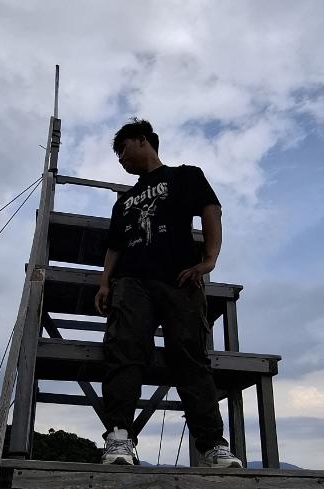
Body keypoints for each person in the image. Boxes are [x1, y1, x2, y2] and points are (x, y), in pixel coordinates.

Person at [94, 119, 242, 468]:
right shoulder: (124, 201)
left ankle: (213, 445)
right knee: (124, 349)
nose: (120, 159)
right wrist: (104, 282)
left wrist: (209, 259)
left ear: (142, 140)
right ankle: (119, 437)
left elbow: (211, 210)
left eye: (123, 149)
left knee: (190, 354)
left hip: (180, 278)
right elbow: (115, 246)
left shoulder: (185, 175)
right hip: (131, 281)